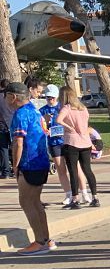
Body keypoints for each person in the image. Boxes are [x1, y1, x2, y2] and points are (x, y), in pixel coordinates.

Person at [6, 81, 55, 255]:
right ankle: (46, 239)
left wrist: (16, 165)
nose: (5, 100)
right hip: (41, 161)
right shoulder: (35, 110)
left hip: (29, 162)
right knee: (35, 202)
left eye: (6, 96)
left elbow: (18, 143)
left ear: (13, 97)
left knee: (27, 201)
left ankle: (40, 241)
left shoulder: (20, 114)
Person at [55, 88, 100, 209]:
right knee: (87, 170)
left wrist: (68, 126)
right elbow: (85, 123)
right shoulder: (83, 108)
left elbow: (58, 120)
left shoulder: (67, 108)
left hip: (72, 142)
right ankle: (95, 197)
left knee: (73, 171)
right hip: (85, 142)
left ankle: (75, 199)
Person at [40, 84, 75, 203]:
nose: (50, 100)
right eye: (48, 98)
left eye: (52, 98)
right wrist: (45, 122)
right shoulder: (42, 110)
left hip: (66, 141)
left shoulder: (62, 108)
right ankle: (68, 193)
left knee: (73, 167)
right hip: (54, 143)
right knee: (61, 169)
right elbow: (39, 128)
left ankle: (81, 191)